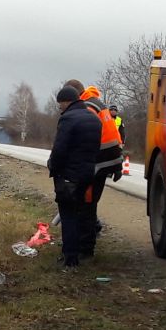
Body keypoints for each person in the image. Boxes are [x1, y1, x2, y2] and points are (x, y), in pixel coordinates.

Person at [48, 83, 101, 269]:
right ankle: (82, 250)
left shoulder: (68, 119)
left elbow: (59, 149)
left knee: (68, 215)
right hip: (87, 175)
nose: (60, 108)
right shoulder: (94, 118)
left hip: (68, 176)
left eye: (60, 104)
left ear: (66, 101)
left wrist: (52, 167)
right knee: (81, 213)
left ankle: (70, 258)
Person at [78, 85, 124, 258]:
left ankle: (86, 248)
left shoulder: (88, 107)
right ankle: (93, 228)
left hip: (98, 163)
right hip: (110, 159)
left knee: (87, 203)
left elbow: (87, 136)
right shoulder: (98, 103)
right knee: (90, 202)